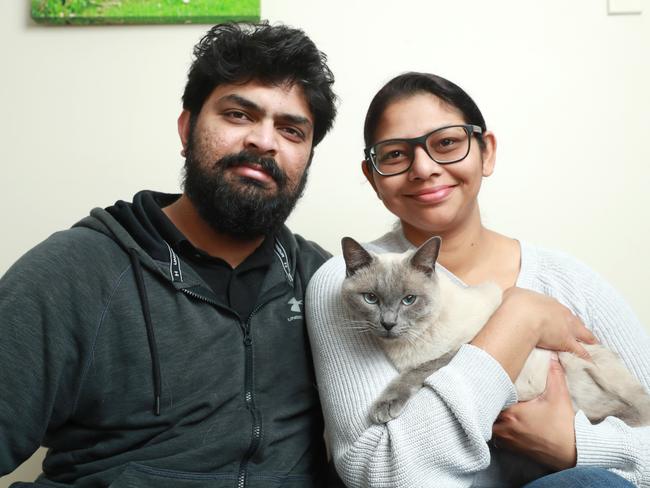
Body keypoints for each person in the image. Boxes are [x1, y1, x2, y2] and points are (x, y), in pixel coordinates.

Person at [0, 22, 339, 487]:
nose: (264, 141)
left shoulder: (322, 281)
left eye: (291, 130)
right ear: (187, 128)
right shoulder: (72, 273)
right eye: (239, 114)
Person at [306, 72, 650, 487]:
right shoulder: (345, 287)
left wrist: (572, 446)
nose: (424, 168)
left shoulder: (572, 283)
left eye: (446, 143)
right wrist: (519, 319)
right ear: (373, 176)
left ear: (485, 152)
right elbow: (386, 475)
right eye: (396, 154)